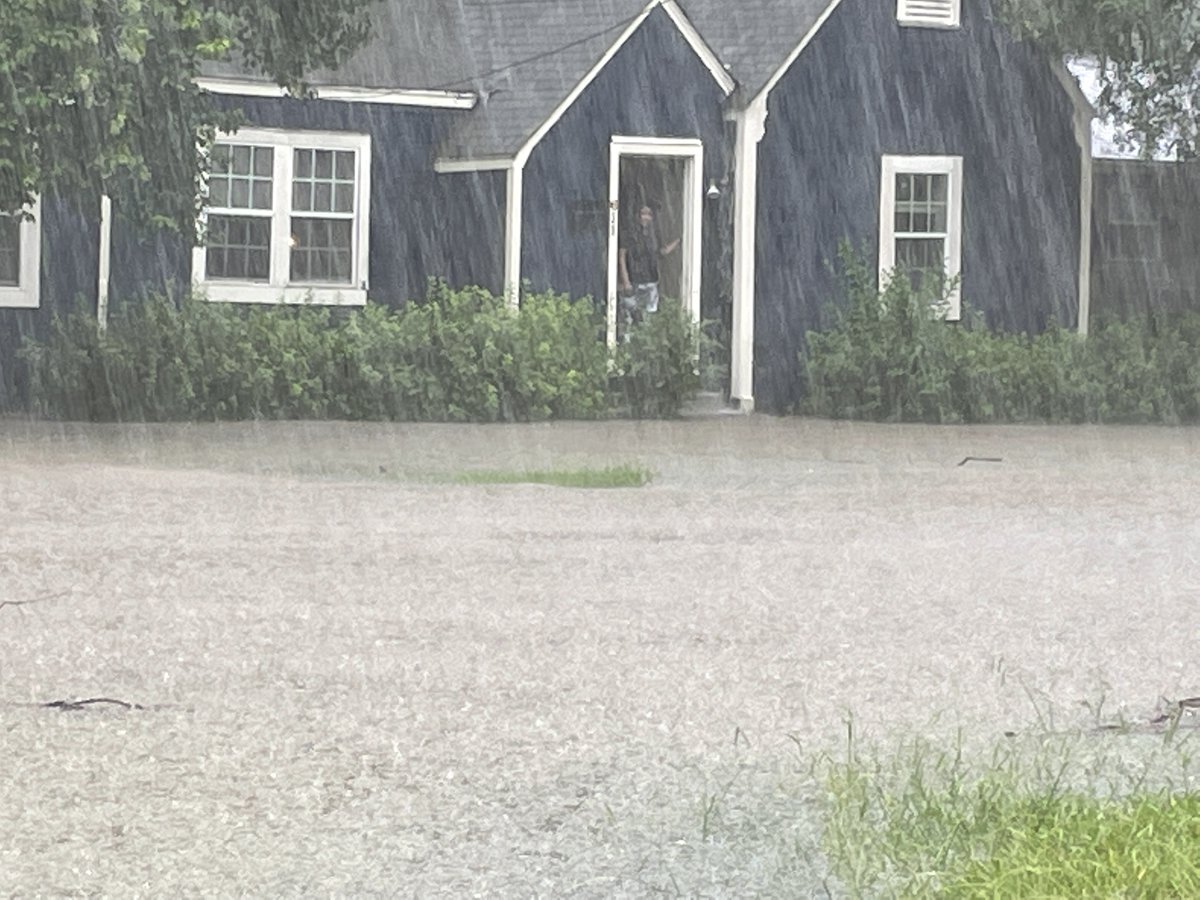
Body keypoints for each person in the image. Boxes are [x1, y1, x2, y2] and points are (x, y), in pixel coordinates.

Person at [618, 204, 679, 326]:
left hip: (651, 281)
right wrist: (626, 281)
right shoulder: (630, 233)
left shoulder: (654, 235)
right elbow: (622, 256)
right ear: (637, 216)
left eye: (649, 214)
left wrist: (679, 240)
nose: (646, 217)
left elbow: (662, 251)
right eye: (643, 214)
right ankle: (628, 342)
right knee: (630, 316)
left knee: (649, 318)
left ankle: (646, 342)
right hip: (634, 281)